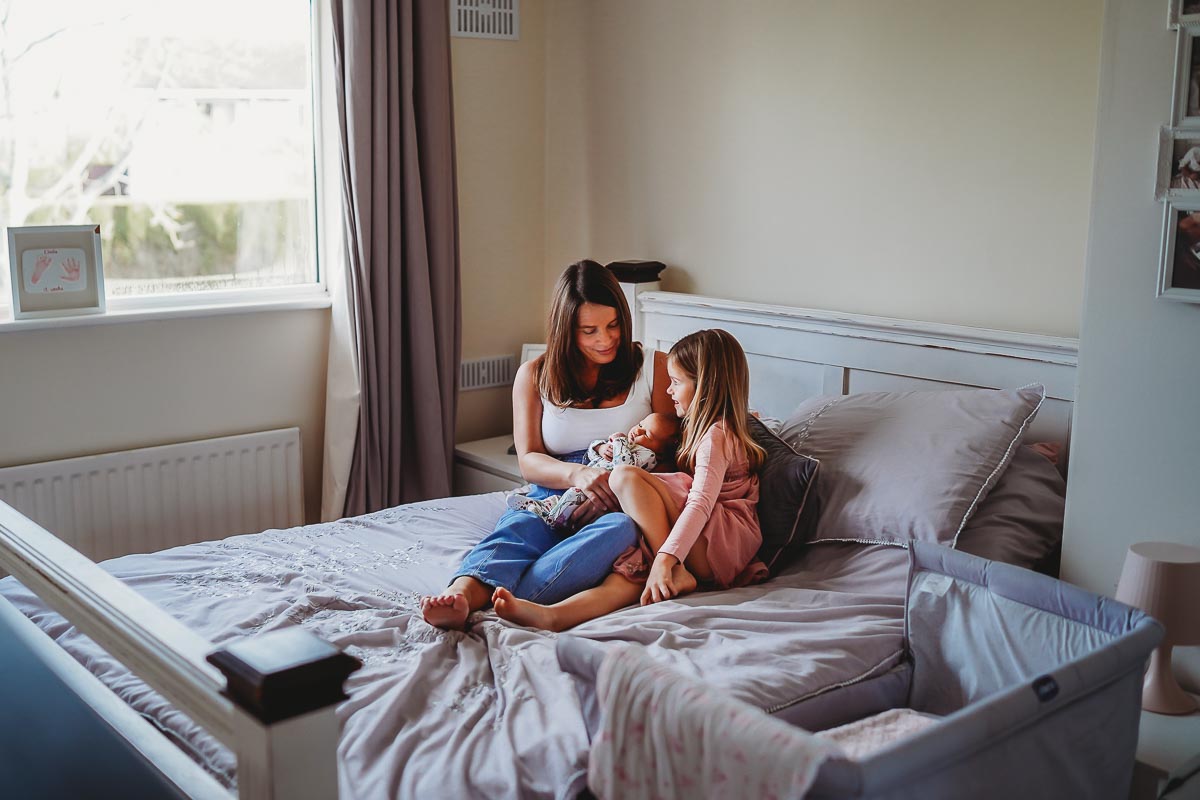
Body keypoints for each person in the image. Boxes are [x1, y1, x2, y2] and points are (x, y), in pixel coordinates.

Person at [420, 260, 674, 629]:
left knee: (618, 530)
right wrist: (579, 474)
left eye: (613, 325)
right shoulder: (535, 374)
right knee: (519, 528)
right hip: (554, 489)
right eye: (589, 331)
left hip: (624, 498)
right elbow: (529, 461)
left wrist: (619, 486)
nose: (605, 340)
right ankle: (463, 594)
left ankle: (523, 597)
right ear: (565, 329)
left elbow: (671, 454)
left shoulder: (656, 366)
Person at [492, 328, 766, 632]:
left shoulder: (717, 436)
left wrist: (666, 559)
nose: (669, 392)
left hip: (718, 539)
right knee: (632, 571)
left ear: (705, 386)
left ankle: (674, 569)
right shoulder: (703, 429)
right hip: (706, 542)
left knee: (624, 478)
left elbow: (701, 502)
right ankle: (555, 616)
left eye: (676, 383)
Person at [506, 412, 681, 528]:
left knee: (575, 498)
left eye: (647, 434)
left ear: (660, 451)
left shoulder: (648, 456)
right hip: (580, 474)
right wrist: (601, 448)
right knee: (527, 520)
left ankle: (553, 518)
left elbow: (623, 466)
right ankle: (544, 506)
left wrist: (619, 442)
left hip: (604, 489)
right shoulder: (630, 444)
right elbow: (592, 452)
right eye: (641, 423)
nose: (638, 430)